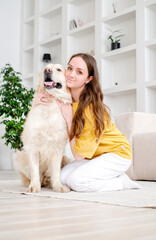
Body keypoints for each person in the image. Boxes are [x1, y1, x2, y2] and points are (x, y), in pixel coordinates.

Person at [33, 53, 140, 192]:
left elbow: (78, 156)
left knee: (77, 182)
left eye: (79, 72)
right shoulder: (67, 94)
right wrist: (36, 101)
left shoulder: (90, 109)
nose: (71, 75)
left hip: (117, 154)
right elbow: (44, 96)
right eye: (70, 68)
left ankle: (121, 182)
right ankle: (104, 175)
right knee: (63, 178)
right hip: (95, 155)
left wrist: (69, 118)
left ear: (88, 79)